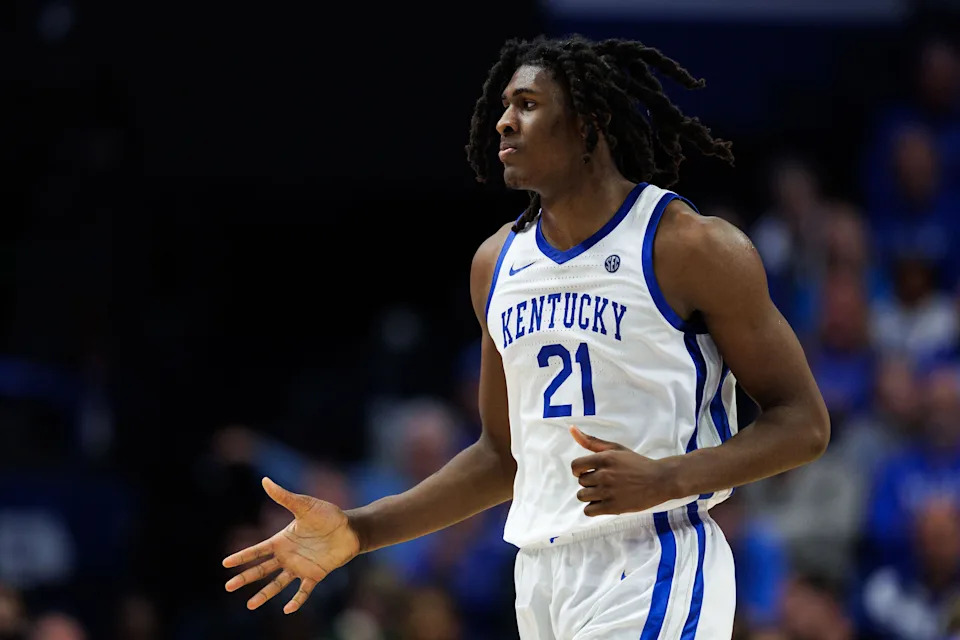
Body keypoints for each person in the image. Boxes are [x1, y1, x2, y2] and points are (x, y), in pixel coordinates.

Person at [221, 33, 830, 638]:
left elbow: (803, 423)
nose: (504, 123)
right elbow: (499, 457)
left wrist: (671, 477)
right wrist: (360, 530)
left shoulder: (689, 245)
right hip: (541, 575)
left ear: (588, 123)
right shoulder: (497, 263)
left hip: (656, 558)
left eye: (528, 105)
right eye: (504, 106)